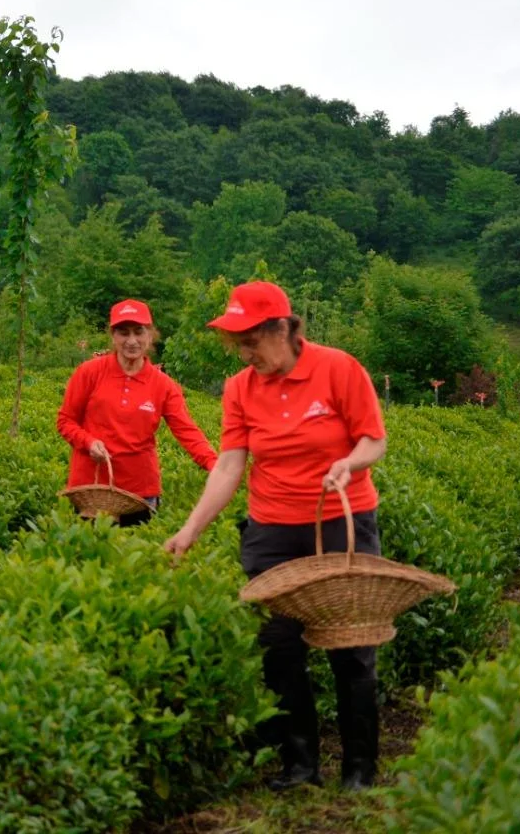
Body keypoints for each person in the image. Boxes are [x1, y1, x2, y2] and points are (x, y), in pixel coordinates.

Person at [164, 281, 387, 792]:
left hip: (338, 521)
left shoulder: (339, 369)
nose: (245, 353)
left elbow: (373, 439)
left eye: (252, 340)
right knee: (278, 648)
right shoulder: (240, 388)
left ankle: (359, 770)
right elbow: (229, 464)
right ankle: (301, 765)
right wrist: (190, 529)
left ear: (283, 329)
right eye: (237, 343)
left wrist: (349, 463)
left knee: (351, 645)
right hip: (272, 528)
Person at [56, 299, 217, 526]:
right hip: (90, 491)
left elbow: (187, 431)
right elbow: (66, 421)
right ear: (113, 336)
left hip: (140, 494)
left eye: (139, 332)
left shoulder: (163, 385)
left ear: (150, 335)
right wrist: (88, 442)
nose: (132, 341)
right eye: (123, 333)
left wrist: (215, 465)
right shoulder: (89, 373)